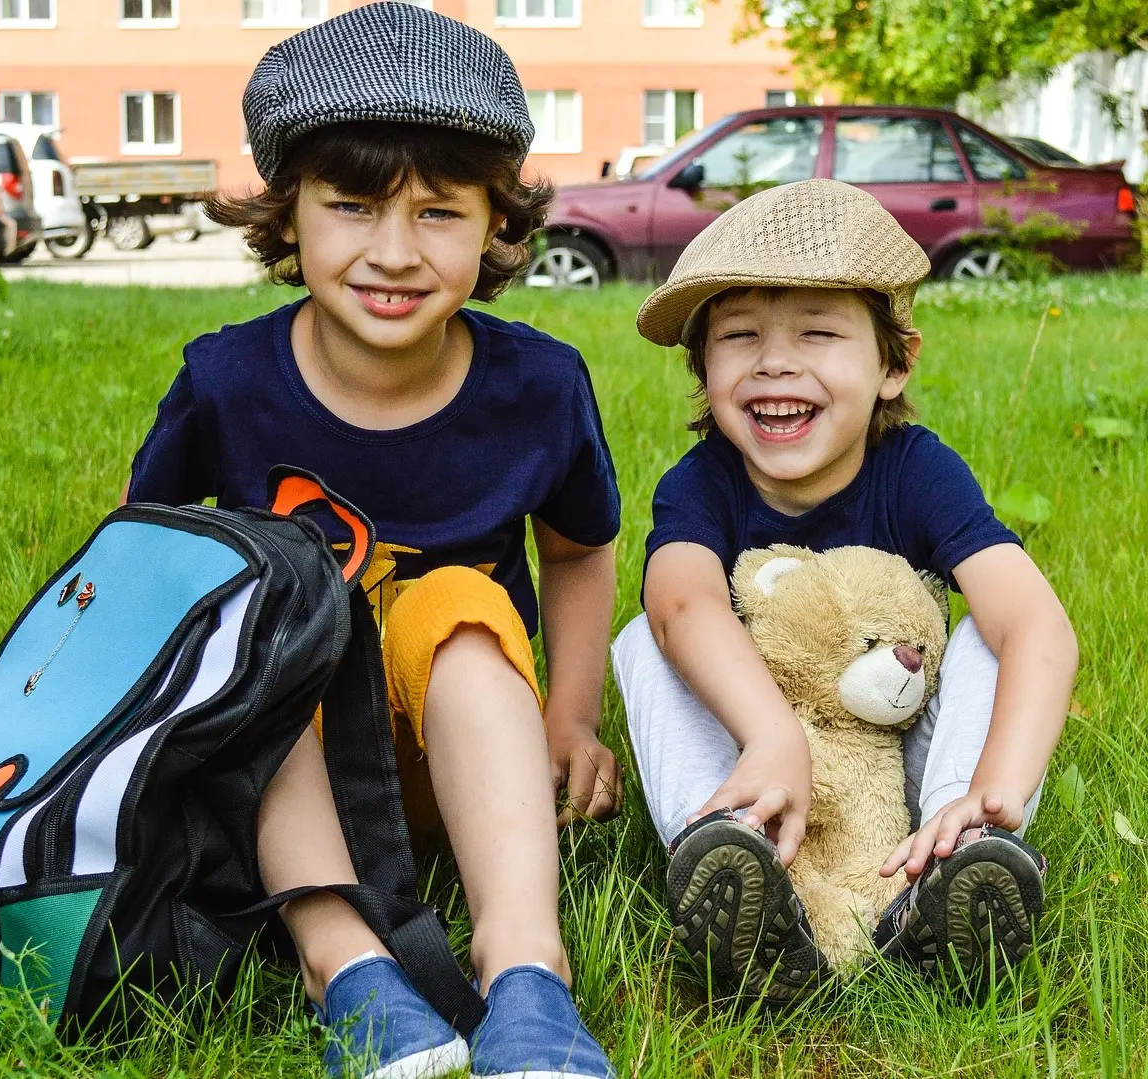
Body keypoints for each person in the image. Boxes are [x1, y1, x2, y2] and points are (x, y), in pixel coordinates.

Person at [123, 7, 622, 1076]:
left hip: (466, 763)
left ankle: (527, 969)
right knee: (266, 616)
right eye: (351, 205)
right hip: (281, 771)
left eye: (439, 211)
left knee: (455, 604)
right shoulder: (226, 383)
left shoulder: (539, 386)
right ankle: (341, 960)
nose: (393, 252)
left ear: (496, 222)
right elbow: (144, 569)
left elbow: (577, 549)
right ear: (289, 214)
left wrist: (571, 715)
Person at [612, 179, 1076, 1003]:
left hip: (899, 773)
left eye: (818, 333)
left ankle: (958, 857)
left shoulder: (918, 470)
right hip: (762, 760)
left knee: (986, 636)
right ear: (704, 366)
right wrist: (770, 736)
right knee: (648, 636)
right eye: (740, 335)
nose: (775, 361)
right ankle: (726, 849)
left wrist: (991, 788)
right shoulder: (703, 483)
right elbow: (681, 600)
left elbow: (1039, 626)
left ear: (894, 364)